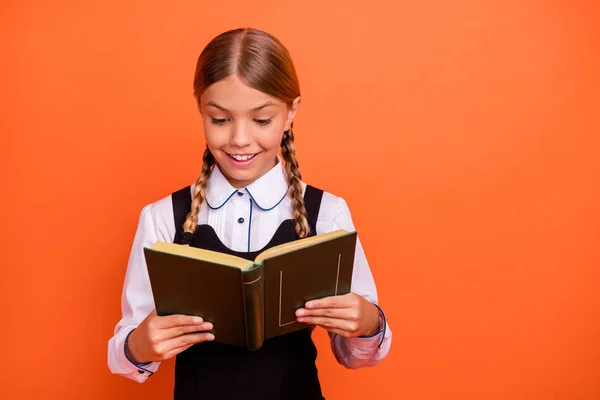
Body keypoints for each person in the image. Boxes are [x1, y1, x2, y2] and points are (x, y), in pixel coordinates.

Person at [107, 27, 392, 400]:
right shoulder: (163, 218)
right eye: (221, 120)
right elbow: (125, 351)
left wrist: (368, 322)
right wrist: (139, 345)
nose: (240, 139)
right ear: (201, 109)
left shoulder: (327, 214)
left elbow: (355, 357)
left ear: (291, 112)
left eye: (261, 120)